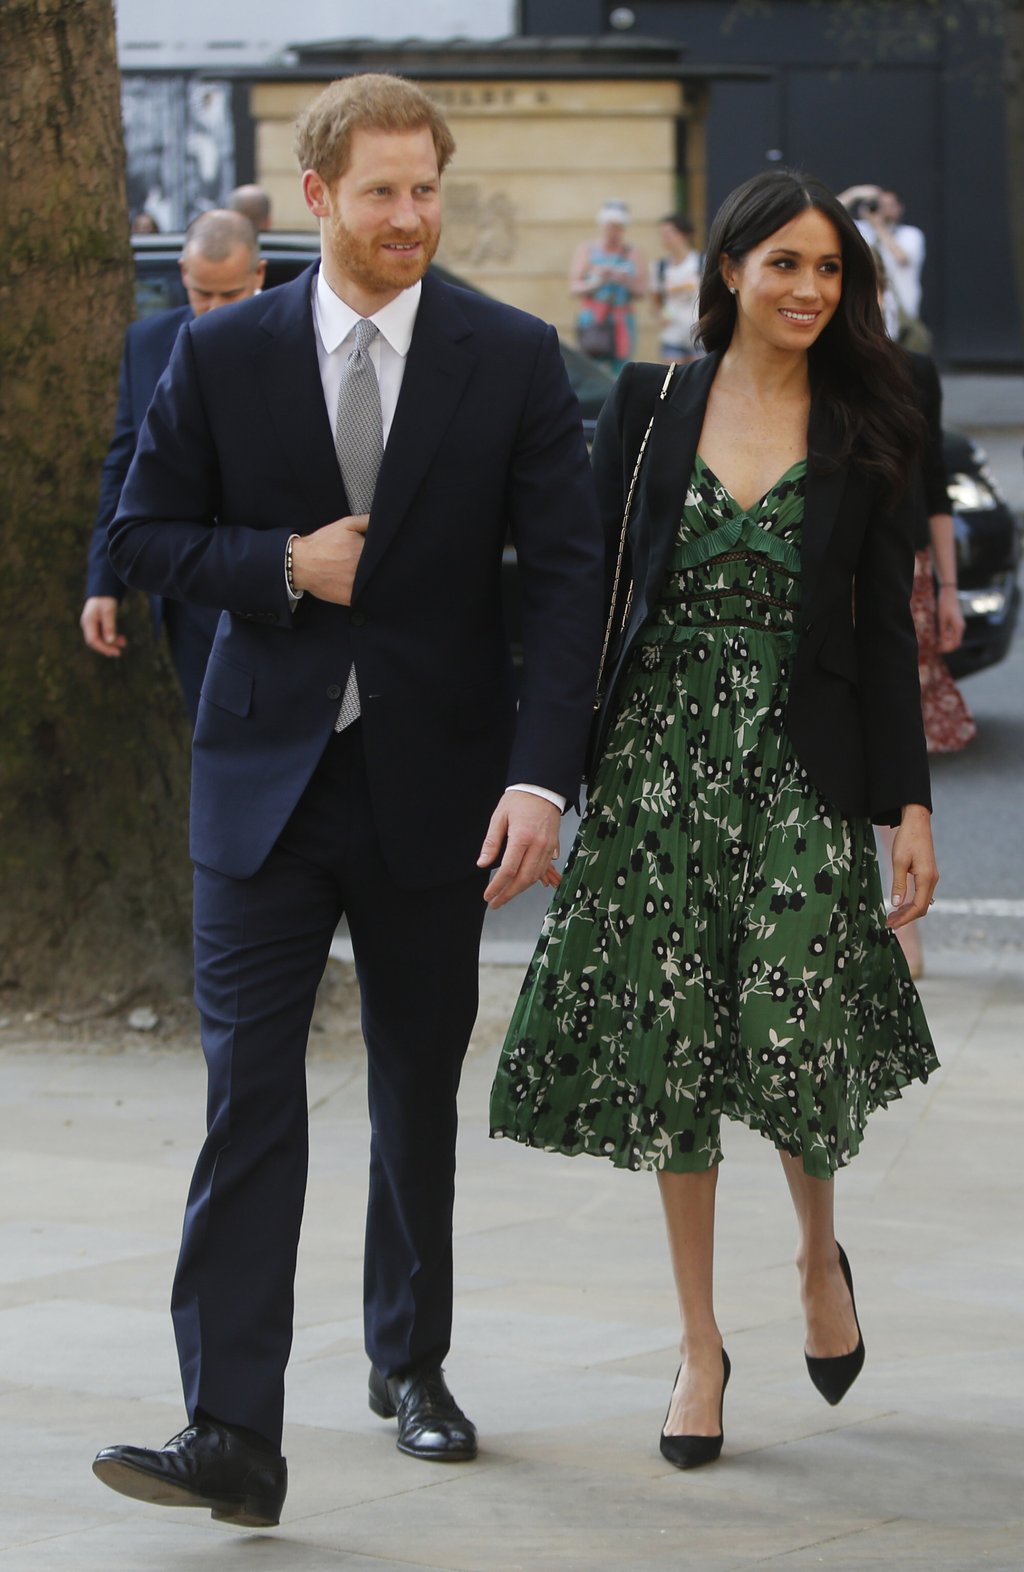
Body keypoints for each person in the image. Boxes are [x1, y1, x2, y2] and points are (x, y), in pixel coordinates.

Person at [92, 73, 604, 1526]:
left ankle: (413, 1363)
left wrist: (539, 776)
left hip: (441, 784)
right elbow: (142, 530)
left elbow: (568, 581)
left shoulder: (508, 357)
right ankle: (229, 1429)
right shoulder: (228, 349)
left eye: (427, 188)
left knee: (415, 1090)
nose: (409, 216)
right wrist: (279, 568)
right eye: (381, 191)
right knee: (249, 1096)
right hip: (260, 780)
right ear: (316, 197)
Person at [491, 169, 940, 1471]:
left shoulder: (870, 411)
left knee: (797, 1025)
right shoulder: (648, 402)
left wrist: (904, 802)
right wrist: (545, 771)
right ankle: (698, 1342)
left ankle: (816, 1258)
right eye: (786, 263)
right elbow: (587, 592)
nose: (809, 289)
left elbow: (881, 624)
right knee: (671, 1043)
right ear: (731, 267)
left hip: (800, 764)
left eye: (832, 270)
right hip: (656, 763)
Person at [80, 209, 266, 720]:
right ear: (184, 272)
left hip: (274, 585)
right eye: (202, 293)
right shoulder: (145, 345)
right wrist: (103, 585)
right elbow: (125, 467)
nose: (213, 310)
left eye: (229, 295)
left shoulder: (294, 342)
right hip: (186, 597)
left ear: (259, 275)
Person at [876, 343, 974, 978]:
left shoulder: (912, 371)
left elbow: (933, 478)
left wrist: (947, 587)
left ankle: (901, 924)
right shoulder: (804, 361)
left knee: (890, 743)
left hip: (900, 570)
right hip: (819, 574)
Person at [839, 184, 927, 347]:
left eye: (889, 206)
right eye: (879, 205)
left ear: (900, 208)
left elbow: (902, 257)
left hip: (903, 317)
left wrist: (879, 226)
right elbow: (831, 216)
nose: (883, 210)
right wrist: (855, 194)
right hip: (870, 313)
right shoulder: (862, 230)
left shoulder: (910, 234)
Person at [570, 199, 647, 372]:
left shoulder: (633, 252)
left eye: (618, 227)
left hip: (621, 320)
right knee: (591, 369)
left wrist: (625, 280)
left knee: (621, 370)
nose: (613, 232)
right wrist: (598, 281)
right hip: (594, 320)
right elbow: (574, 287)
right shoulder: (586, 250)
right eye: (610, 226)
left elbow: (641, 291)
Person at [650, 213, 702, 363]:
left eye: (669, 233)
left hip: (698, 333)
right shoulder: (660, 267)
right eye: (663, 234)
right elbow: (656, 298)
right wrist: (661, 314)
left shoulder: (700, 262)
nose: (665, 238)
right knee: (674, 379)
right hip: (672, 333)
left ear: (683, 234)